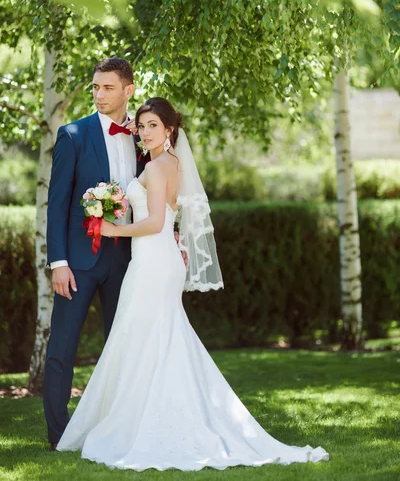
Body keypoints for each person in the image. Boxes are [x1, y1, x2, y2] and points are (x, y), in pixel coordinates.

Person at [56, 97, 329, 470]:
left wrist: (111, 228)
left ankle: (147, 424)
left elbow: (153, 223)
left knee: (145, 337)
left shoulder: (155, 168)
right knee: (155, 337)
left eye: (153, 125)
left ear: (169, 130)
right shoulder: (170, 164)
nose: (145, 131)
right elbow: (165, 217)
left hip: (153, 259)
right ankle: (150, 416)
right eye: (143, 125)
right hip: (159, 257)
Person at [44, 57, 146, 450]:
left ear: (128, 91)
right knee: (61, 350)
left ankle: (115, 430)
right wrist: (59, 262)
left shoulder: (142, 136)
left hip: (126, 260)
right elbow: (56, 205)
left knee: (122, 346)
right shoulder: (73, 134)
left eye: (107, 88)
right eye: (95, 88)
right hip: (78, 263)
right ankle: (58, 436)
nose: (100, 95)